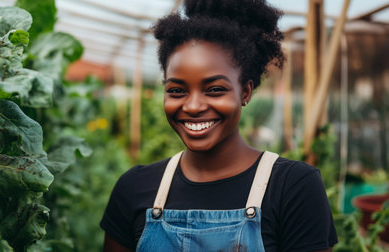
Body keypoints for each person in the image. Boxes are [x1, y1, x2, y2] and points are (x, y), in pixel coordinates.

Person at [100, 0, 338, 251]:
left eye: (214, 90)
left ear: (245, 91)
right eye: (177, 90)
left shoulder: (293, 187)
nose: (192, 106)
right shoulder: (134, 187)